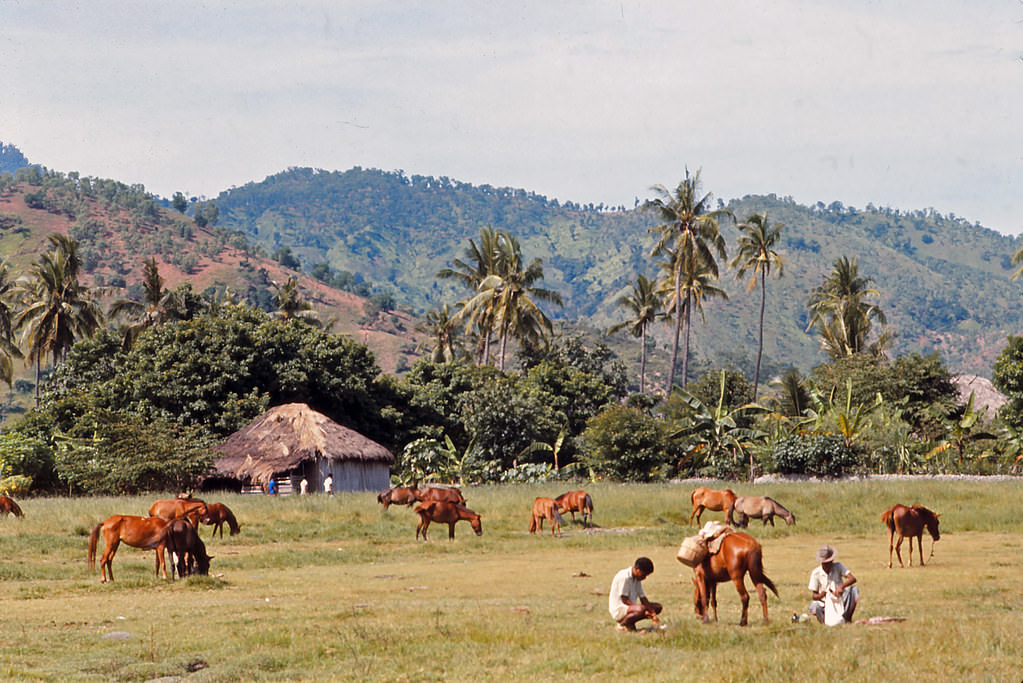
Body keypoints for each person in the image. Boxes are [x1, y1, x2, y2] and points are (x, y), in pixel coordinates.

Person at [808, 545, 859, 625]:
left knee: (854, 590)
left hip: (840, 600)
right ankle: (824, 621)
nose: (829, 564)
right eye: (826, 563)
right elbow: (814, 596)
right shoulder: (816, 573)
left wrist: (841, 587)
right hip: (824, 603)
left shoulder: (838, 566)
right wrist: (821, 595)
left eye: (830, 562)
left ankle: (846, 618)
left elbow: (852, 579)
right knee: (814, 606)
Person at [608, 557, 663, 631]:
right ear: (637, 569)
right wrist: (643, 610)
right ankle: (621, 625)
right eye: (644, 575)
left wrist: (653, 613)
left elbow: (643, 598)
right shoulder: (624, 577)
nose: (645, 578)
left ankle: (630, 624)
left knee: (657, 607)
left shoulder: (637, 579)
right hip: (619, 609)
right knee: (641, 609)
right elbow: (624, 600)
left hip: (630, 608)